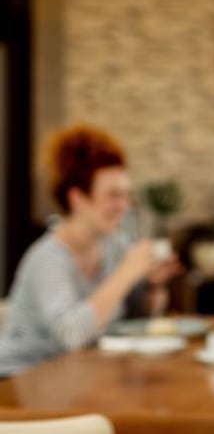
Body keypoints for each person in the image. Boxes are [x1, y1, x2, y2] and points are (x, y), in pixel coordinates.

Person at [0, 123, 182, 376]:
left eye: (126, 195)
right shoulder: (47, 258)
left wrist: (153, 285)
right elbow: (72, 337)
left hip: (77, 380)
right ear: (77, 199)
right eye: (113, 195)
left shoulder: (114, 246)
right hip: (20, 385)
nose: (124, 205)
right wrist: (126, 274)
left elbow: (134, 318)